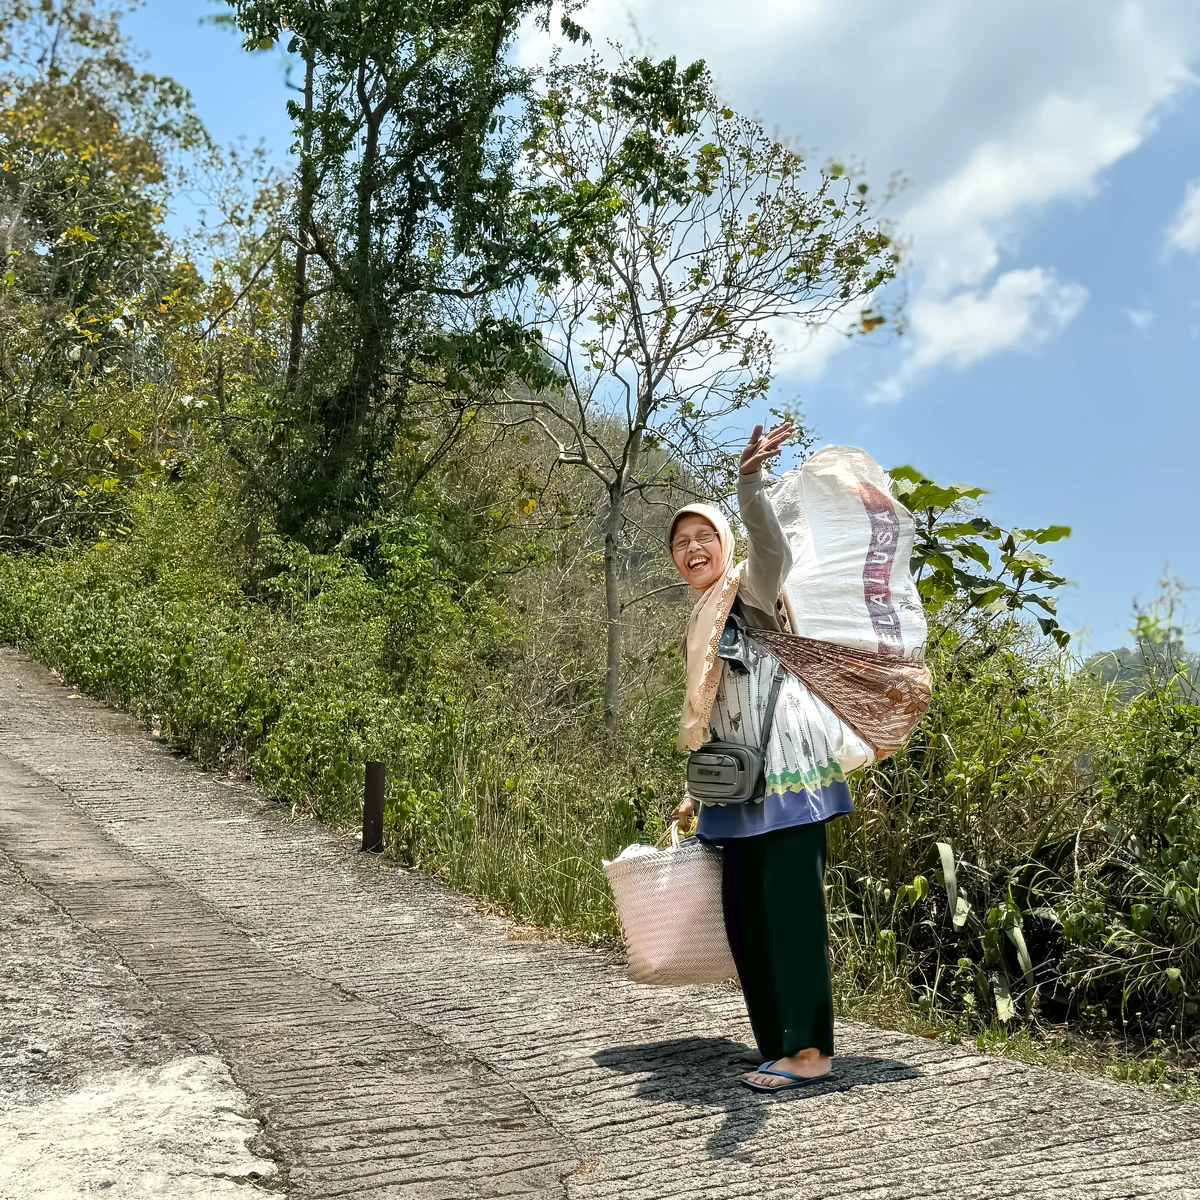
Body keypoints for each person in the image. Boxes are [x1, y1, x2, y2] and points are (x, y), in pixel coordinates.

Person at [666, 422, 873, 1093]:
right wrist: (693, 790)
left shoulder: (752, 590)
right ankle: (774, 1045)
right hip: (732, 783)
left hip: (787, 771)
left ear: (725, 546)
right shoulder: (700, 617)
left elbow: (772, 545)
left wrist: (748, 483)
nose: (695, 548)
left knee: (789, 912)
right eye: (682, 541)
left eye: (705, 537)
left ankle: (810, 1052)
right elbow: (709, 709)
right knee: (744, 917)